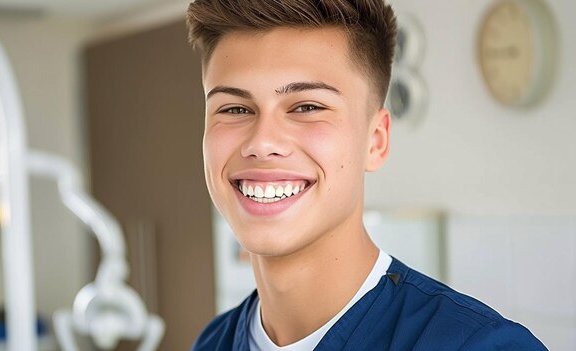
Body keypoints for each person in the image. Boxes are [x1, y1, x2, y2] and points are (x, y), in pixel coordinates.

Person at [185, 1, 547, 350]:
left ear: (376, 141)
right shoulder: (213, 341)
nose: (262, 143)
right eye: (234, 108)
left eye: (307, 106)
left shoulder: (476, 346)